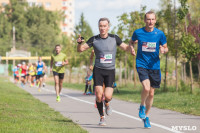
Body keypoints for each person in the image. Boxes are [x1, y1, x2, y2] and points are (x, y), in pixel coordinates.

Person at [77, 17, 134, 126]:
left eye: (104, 26)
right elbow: (80, 50)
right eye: (100, 26)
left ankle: (107, 103)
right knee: (98, 96)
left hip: (110, 71)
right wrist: (79, 43)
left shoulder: (114, 38)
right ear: (98, 27)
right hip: (98, 70)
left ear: (108, 27)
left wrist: (131, 48)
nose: (102, 28)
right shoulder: (94, 39)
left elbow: (125, 47)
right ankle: (102, 117)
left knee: (107, 96)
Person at [129, 11, 168, 128]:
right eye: (148, 19)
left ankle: (146, 117)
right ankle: (142, 105)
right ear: (145, 20)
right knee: (146, 87)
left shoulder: (160, 34)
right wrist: (131, 48)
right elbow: (131, 41)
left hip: (154, 66)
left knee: (151, 93)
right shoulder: (138, 32)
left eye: (152, 19)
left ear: (155, 20)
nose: (150, 21)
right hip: (142, 64)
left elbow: (166, 47)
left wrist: (163, 50)